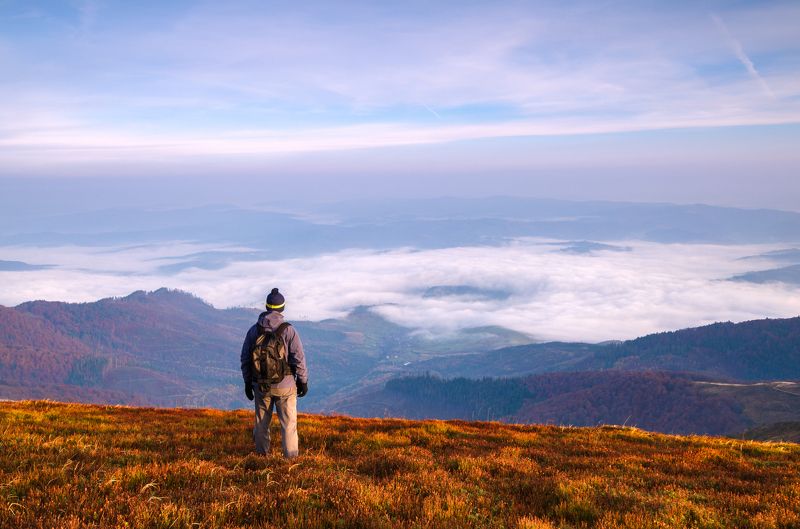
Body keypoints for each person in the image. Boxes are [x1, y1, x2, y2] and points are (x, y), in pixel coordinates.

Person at [240, 288, 308, 458]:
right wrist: (303, 382)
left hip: (260, 385)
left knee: (262, 424)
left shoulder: (254, 330)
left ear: (266, 306)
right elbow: (298, 358)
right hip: (285, 386)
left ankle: (261, 458)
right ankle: (291, 460)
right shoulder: (288, 330)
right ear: (282, 308)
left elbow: (245, 359)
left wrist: (248, 383)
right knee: (288, 425)